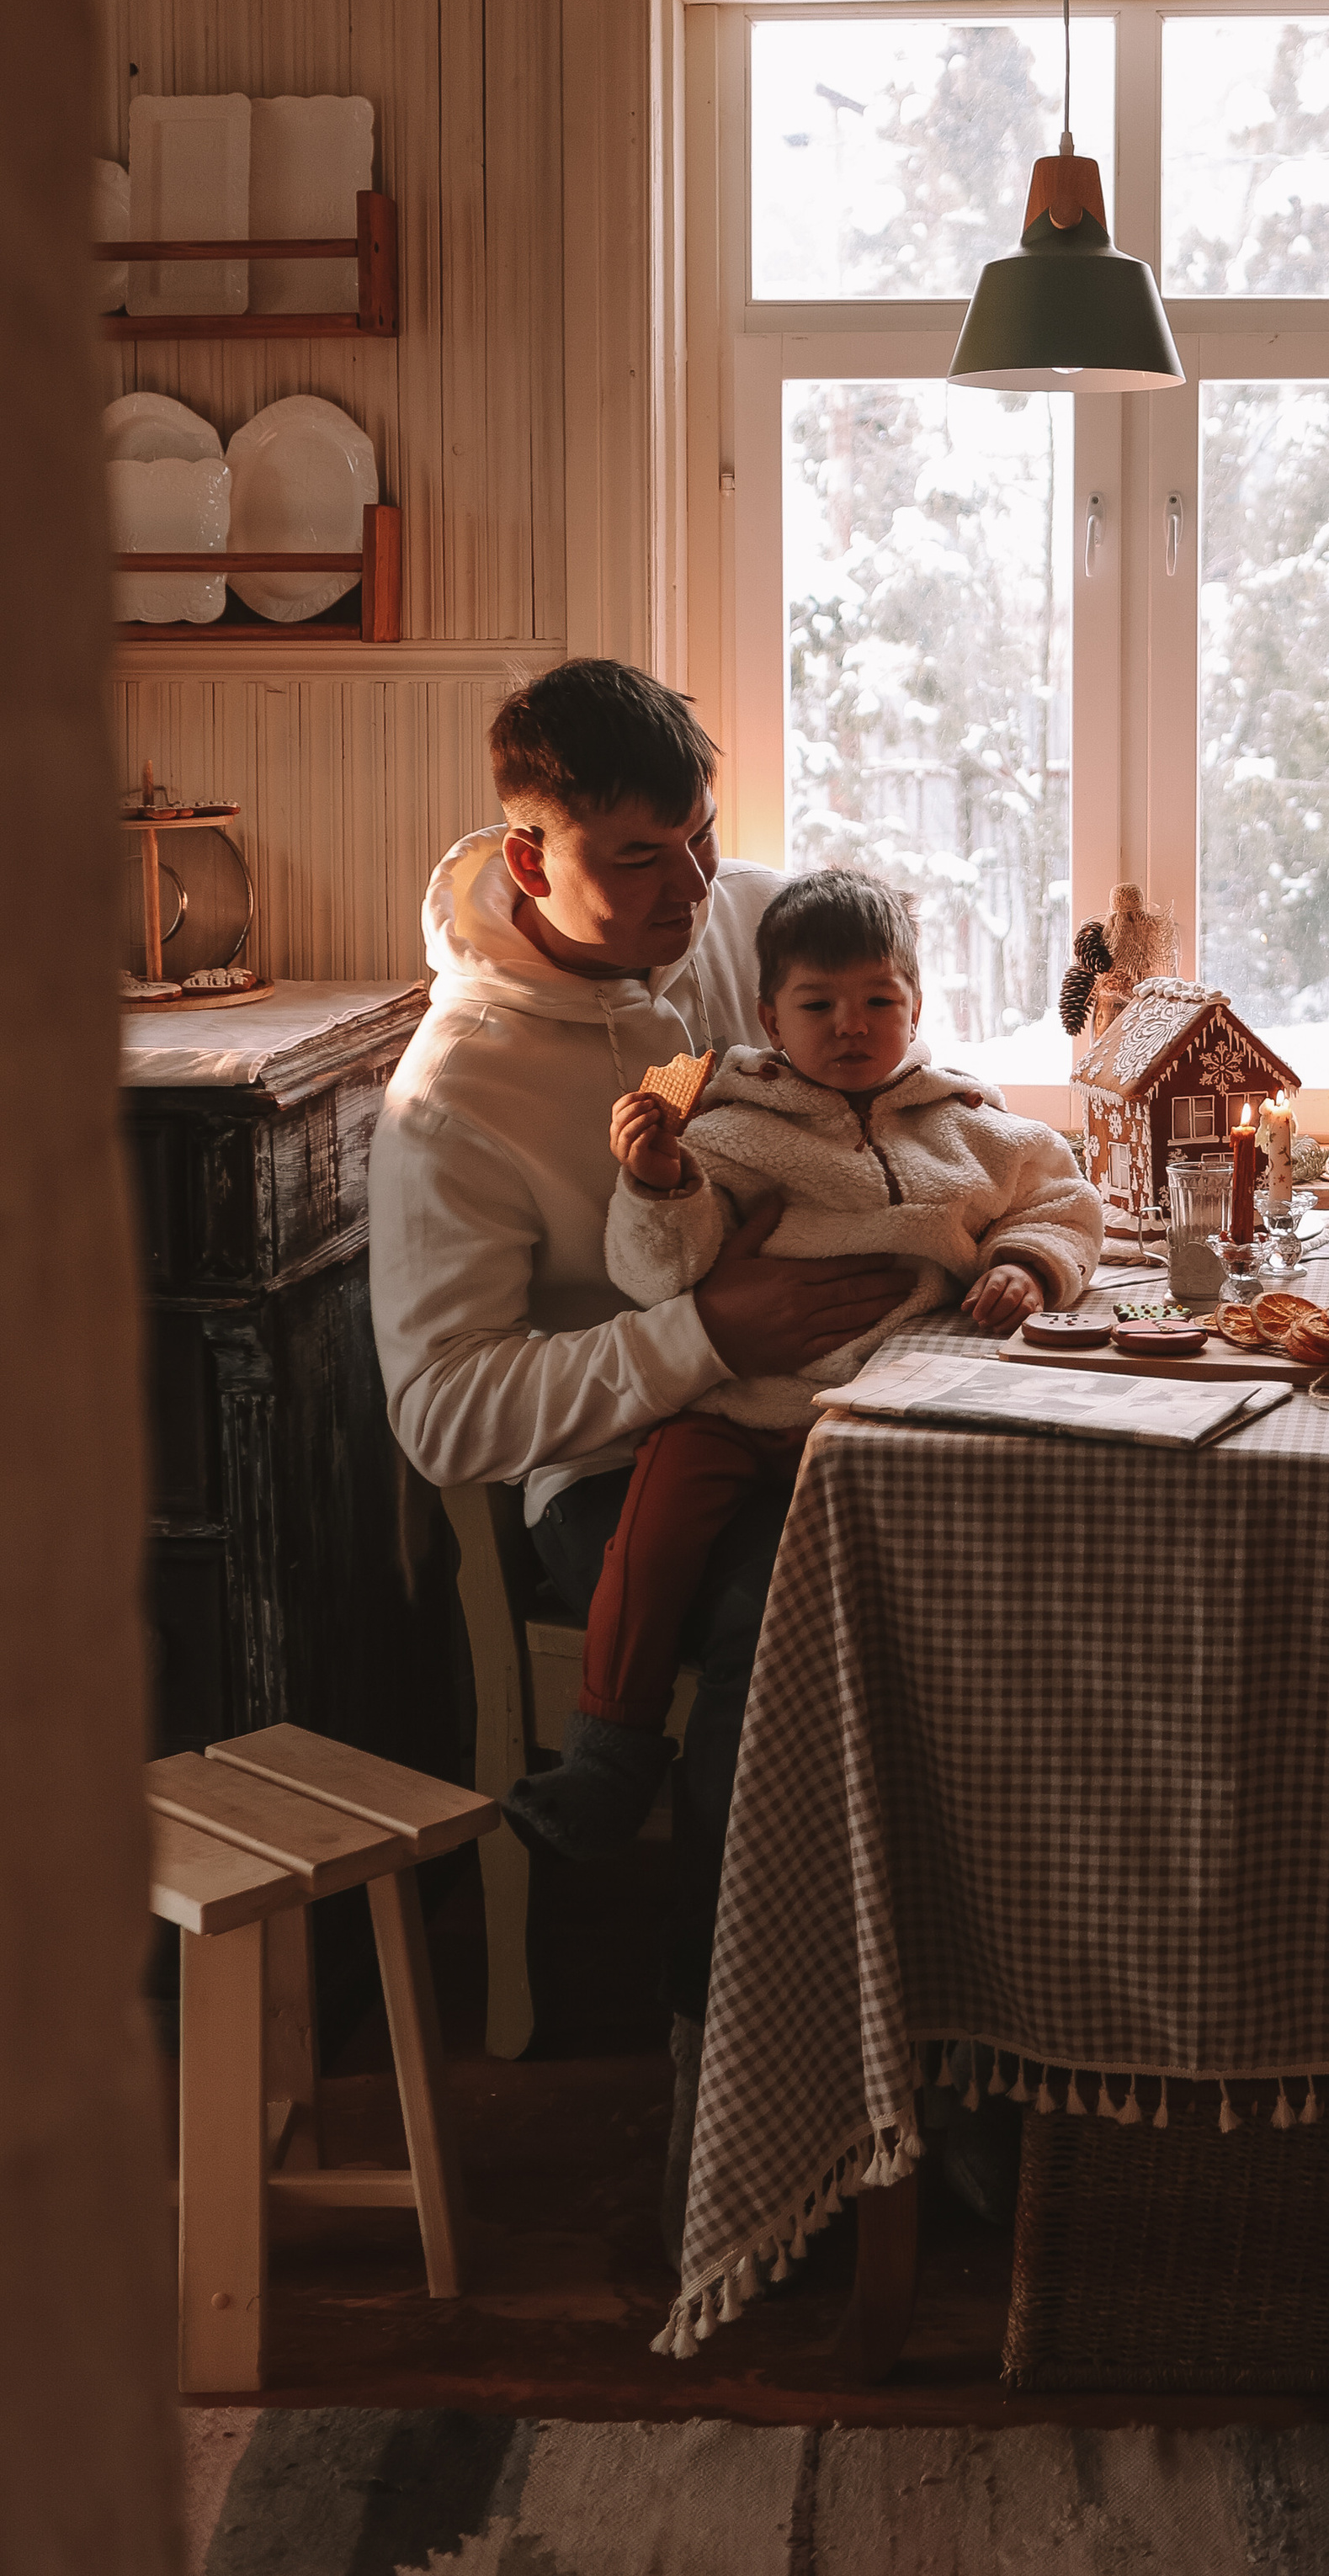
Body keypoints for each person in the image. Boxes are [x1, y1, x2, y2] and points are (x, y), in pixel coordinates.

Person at [368, 659, 917, 2246]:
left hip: (796, 1409)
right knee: (787, 1600)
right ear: (530, 856)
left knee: (939, 1541)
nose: (694, 890)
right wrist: (702, 1338)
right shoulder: (451, 1100)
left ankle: (932, 2058)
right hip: (604, 1480)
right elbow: (444, 1413)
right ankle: (726, 2103)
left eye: (702, 837)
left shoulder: (731, 918)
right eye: (640, 858)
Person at [506, 866, 1103, 1861]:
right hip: (739, 1410)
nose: (852, 1026)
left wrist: (1025, 1266)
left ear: (916, 1009)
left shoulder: (969, 1129)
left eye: (880, 1001)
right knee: (656, 1516)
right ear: (769, 1018)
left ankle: (977, 1830)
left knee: (985, 1545)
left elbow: (1062, 1201)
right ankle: (607, 1749)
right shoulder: (728, 1132)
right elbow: (661, 1275)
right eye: (818, 1004)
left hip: (888, 1419)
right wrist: (659, 1184)